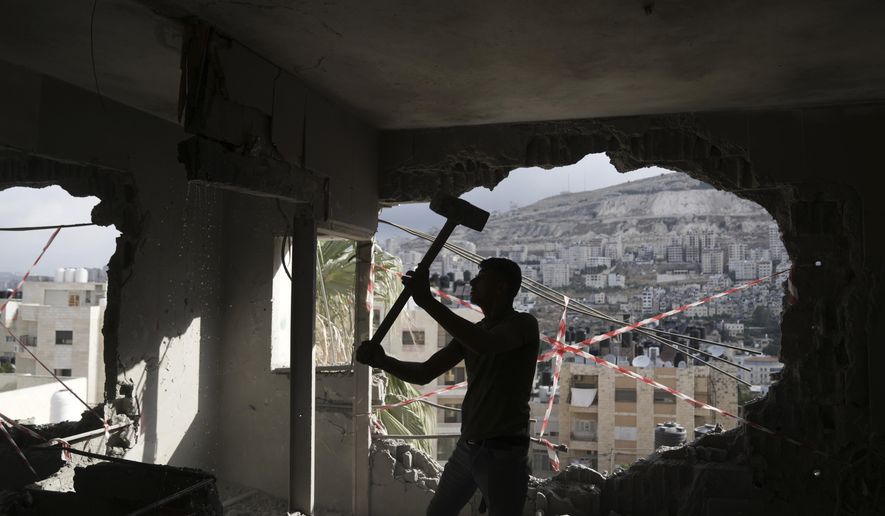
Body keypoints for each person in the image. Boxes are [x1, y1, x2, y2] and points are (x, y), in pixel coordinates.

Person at [356, 257, 540, 516]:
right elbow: (424, 373)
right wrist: (382, 360)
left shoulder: (523, 325)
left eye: (482, 277)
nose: (472, 281)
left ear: (501, 287)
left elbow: (486, 344)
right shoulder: (476, 332)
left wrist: (427, 301)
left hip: (503, 452)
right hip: (469, 447)